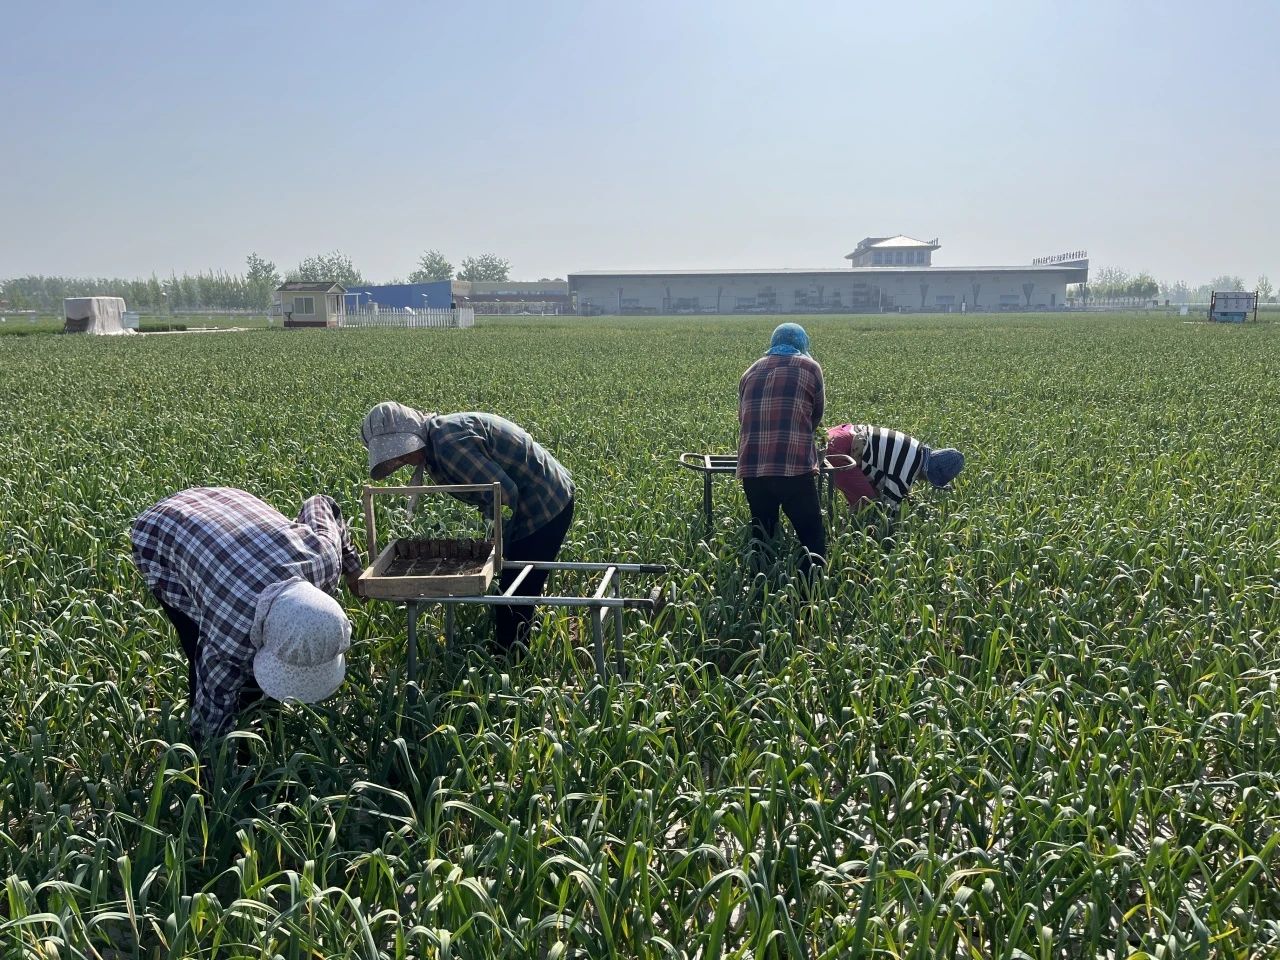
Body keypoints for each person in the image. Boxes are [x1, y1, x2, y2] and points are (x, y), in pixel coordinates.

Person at [130, 487, 364, 744]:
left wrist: (352, 568)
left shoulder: (324, 559)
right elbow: (214, 703)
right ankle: (239, 739)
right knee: (199, 645)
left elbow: (321, 503)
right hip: (162, 532)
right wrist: (212, 769)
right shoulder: (230, 639)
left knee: (245, 680)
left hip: (229, 514)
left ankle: (260, 721)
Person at [360, 402, 575, 653]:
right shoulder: (437, 440)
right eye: (399, 456)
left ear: (415, 435)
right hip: (531, 499)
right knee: (513, 587)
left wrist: (499, 541)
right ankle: (517, 645)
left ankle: (512, 662)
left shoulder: (448, 446)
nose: (404, 460)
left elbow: (504, 495)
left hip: (545, 503)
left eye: (404, 452)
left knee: (514, 595)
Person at [737, 323, 826, 572]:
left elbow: (742, 417)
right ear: (802, 345)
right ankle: (809, 599)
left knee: (762, 535)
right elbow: (816, 416)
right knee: (812, 537)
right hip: (794, 467)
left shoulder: (750, 371)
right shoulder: (810, 368)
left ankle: (759, 590)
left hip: (753, 469)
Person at [826, 424, 964, 510]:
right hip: (839, 450)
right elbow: (889, 508)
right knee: (869, 506)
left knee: (870, 493)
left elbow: (882, 474)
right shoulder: (907, 472)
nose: (925, 482)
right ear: (928, 474)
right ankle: (848, 534)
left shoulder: (916, 449)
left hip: (840, 433)